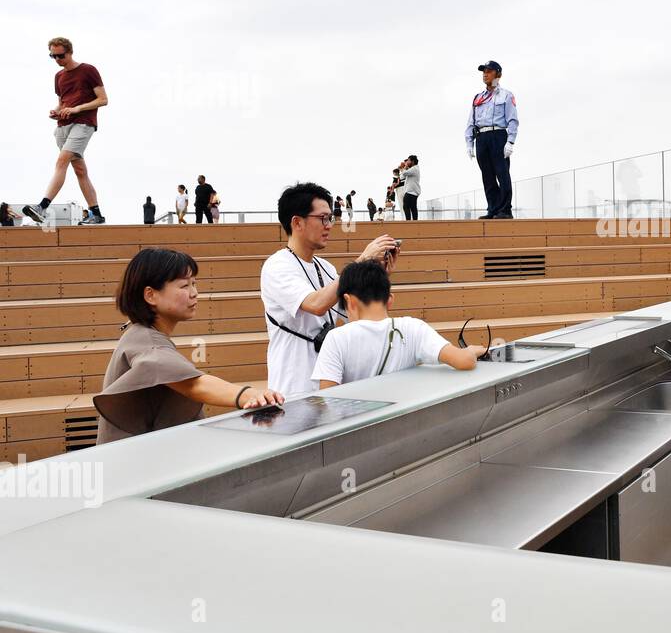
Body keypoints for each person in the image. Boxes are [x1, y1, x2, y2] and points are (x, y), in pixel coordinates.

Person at [94, 248, 283, 444]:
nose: (194, 293)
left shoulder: (141, 333)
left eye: (195, 284)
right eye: (184, 286)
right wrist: (248, 395)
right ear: (150, 295)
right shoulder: (147, 341)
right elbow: (193, 384)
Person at [260, 182, 397, 397]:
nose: (329, 225)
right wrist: (361, 261)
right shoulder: (277, 266)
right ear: (297, 222)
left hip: (330, 385)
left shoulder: (326, 267)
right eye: (323, 218)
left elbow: (359, 313)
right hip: (293, 389)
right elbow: (316, 304)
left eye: (330, 218)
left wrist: (378, 274)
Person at [312, 260, 485, 388]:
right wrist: (471, 351)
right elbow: (463, 361)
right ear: (390, 300)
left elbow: (327, 397)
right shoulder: (413, 327)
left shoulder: (336, 338)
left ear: (348, 301)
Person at [22, 37, 108, 226]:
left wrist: (78, 109)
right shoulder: (59, 77)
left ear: (70, 52)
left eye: (61, 55)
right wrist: (57, 111)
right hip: (63, 126)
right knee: (80, 171)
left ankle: (42, 207)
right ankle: (96, 214)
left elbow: (103, 99)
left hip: (83, 123)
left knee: (61, 161)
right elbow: (62, 102)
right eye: (53, 56)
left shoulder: (88, 70)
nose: (57, 59)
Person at [464, 60, 518, 219]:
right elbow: (470, 122)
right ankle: (493, 209)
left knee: (502, 173)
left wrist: (511, 141)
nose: (485, 74)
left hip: (498, 135)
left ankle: (505, 209)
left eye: (489, 71)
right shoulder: (478, 98)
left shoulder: (506, 95)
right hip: (481, 137)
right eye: (483, 72)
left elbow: (513, 120)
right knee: (487, 175)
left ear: (498, 74)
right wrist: (469, 143)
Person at [401, 155, 421, 220]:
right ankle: (414, 222)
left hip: (411, 191)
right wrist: (405, 168)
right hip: (412, 191)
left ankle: (408, 222)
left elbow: (404, 173)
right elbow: (402, 177)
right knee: (413, 207)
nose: (407, 162)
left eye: (408, 160)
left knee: (406, 206)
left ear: (412, 161)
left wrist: (404, 167)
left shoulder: (414, 168)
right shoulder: (413, 169)